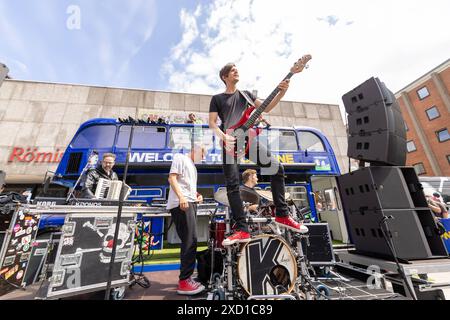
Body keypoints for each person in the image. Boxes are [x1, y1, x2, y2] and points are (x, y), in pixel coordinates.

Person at [209, 62, 308, 246]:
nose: (236, 71)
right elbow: (212, 123)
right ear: (224, 77)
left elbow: (267, 108)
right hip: (230, 140)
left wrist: (282, 91)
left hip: (248, 140)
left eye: (237, 69)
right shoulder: (217, 98)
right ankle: (241, 229)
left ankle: (283, 215)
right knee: (232, 183)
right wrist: (224, 136)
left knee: (277, 168)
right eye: (232, 70)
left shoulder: (246, 94)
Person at [167, 144, 206, 295]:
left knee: (190, 240)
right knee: (190, 241)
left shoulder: (192, 166)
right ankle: (184, 281)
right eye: (202, 155)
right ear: (195, 150)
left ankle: (186, 278)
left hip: (190, 201)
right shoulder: (180, 157)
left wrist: (196, 194)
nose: (202, 158)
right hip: (182, 204)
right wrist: (182, 197)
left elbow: (185, 184)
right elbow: (172, 178)